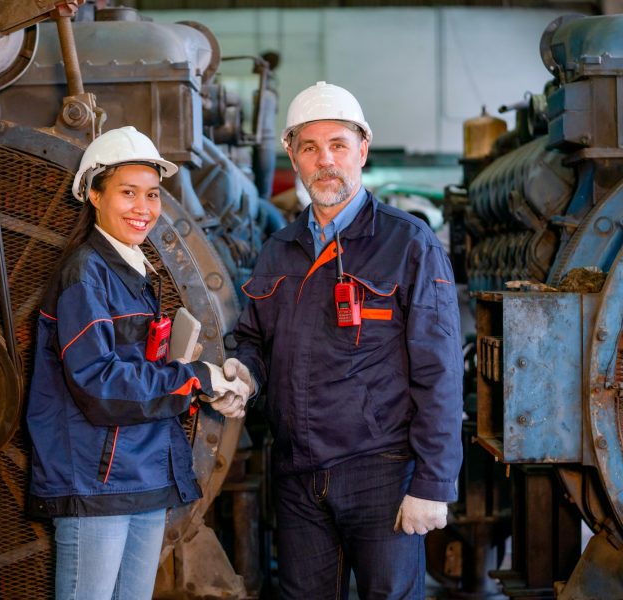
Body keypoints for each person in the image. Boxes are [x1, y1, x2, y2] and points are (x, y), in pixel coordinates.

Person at [229, 82, 463, 599]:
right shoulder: (279, 250)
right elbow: (252, 339)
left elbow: (440, 370)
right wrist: (243, 374)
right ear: (291, 154)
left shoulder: (408, 244)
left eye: (338, 144)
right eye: (309, 148)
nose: (325, 160)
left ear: (362, 148)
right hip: (297, 474)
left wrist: (432, 483)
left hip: (380, 470)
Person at [26, 126, 249, 600]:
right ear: (93, 194)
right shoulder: (85, 274)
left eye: (151, 195)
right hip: (98, 481)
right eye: (127, 193)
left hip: (143, 472)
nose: (143, 209)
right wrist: (193, 378)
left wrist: (206, 383)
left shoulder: (133, 270)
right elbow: (99, 383)